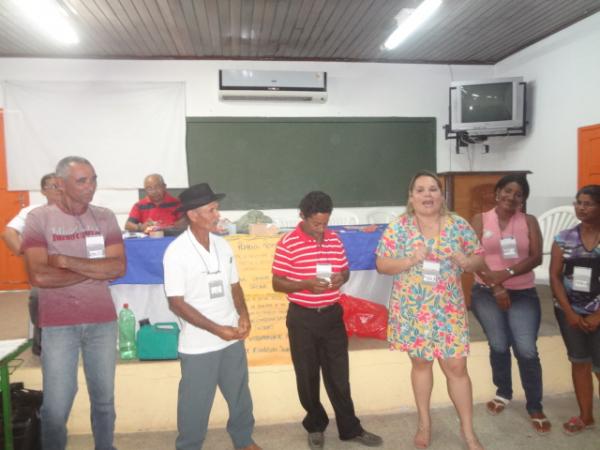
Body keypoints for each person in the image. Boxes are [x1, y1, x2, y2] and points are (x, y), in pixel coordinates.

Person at [375, 170, 484, 450]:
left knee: (457, 366)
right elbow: (382, 265)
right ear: (411, 197)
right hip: (413, 307)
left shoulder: (458, 224)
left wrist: (467, 262)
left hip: (449, 308)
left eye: (433, 189)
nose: (427, 195)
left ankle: (468, 432)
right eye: (420, 190)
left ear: (441, 195)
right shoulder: (399, 227)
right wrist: (411, 259)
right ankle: (424, 423)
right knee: (421, 363)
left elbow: (479, 259)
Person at [21, 156, 125, 450]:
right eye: (82, 180)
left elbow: (117, 267)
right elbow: (39, 275)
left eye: (93, 179)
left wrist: (66, 262)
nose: (90, 186)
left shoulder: (105, 217)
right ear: (60, 183)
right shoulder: (38, 219)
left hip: (102, 321)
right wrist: (93, 270)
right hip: (58, 325)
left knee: (104, 400)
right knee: (56, 406)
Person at [272, 191, 383, 450]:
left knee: (339, 377)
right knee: (307, 376)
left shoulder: (334, 239)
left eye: (325, 223)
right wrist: (306, 284)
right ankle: (315, 425)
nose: (322, 229)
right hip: (302, 318)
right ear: (302, 216)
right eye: (316, 224)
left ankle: (350, 428)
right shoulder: (287, 242)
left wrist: (340, 279)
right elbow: (277, 283)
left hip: (332, 316)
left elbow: (344, 270)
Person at [162, 183, 261, 450]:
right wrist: (217, 329)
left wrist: (244, 316)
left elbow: (234, 286)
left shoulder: (222, 245)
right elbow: (177, 304)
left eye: (216, 208)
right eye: (212, 209)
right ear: (193, 215)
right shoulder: (176, 252)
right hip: (199, 344)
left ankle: (243, 440)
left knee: (240, 394)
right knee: (195, 404)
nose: (218, 214)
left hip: (231, 337)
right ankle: (189, 446)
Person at [469, 174, 551, 434]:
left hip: (523, 293)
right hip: (486, 292)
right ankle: (503, 392)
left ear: (523, 199)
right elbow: (473, 258)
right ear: (497, 193)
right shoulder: (480, 219)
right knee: (499, 344)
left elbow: (536, 256)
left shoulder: (529, 221)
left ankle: (535, 404)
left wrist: (506, 276)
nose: (511, 197)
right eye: (507, 191)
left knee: (526, 349)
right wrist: (496, 286)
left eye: (518, 194)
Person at [550, 184, 600, 435]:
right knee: (579, 362)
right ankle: (586, 416)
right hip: (569, 311)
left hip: (599, 314)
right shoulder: (564, 238)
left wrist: (598, 315)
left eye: (588, 203)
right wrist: (569, 312)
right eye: (578, 202)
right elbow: (555, 276)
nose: (581, 207)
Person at [1, 172, 61, 355]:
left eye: (61, 186)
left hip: (73, 267)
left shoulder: (76, 210)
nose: (59, 190)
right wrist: (24, 252)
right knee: (37, 297)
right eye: (53, 186)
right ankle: (42, 344)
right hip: (45, 271)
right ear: (43, 191)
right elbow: (8, 233)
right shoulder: (32, 212)